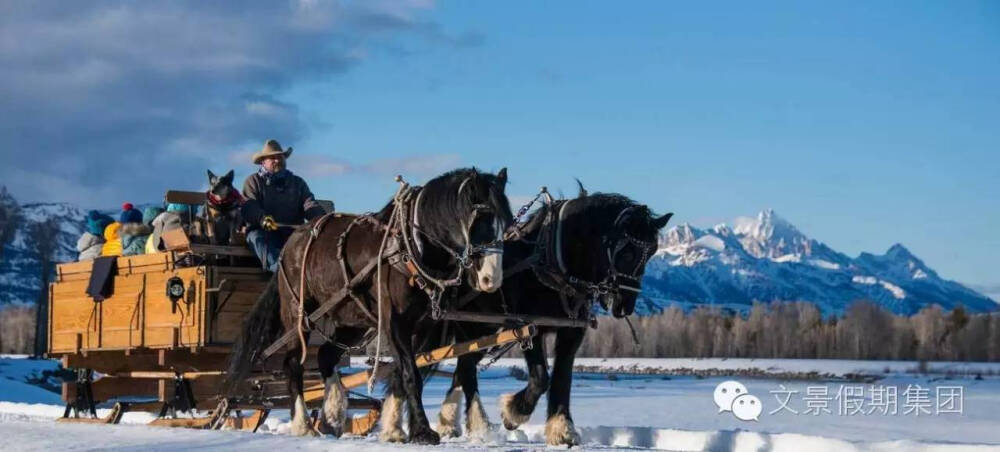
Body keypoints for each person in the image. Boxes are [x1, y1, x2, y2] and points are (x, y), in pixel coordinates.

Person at [241, 139, 326, 272]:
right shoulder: (253, 181)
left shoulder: (298, 183)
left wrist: (322, 219)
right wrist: (262, 218)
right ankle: (281, 272)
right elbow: (249, 207)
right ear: (263, 161)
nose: (277, 160)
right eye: (272, 158)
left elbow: (309, 204)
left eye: (280, 157)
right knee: (256, 238)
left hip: (293, 233)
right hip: (265, 233)